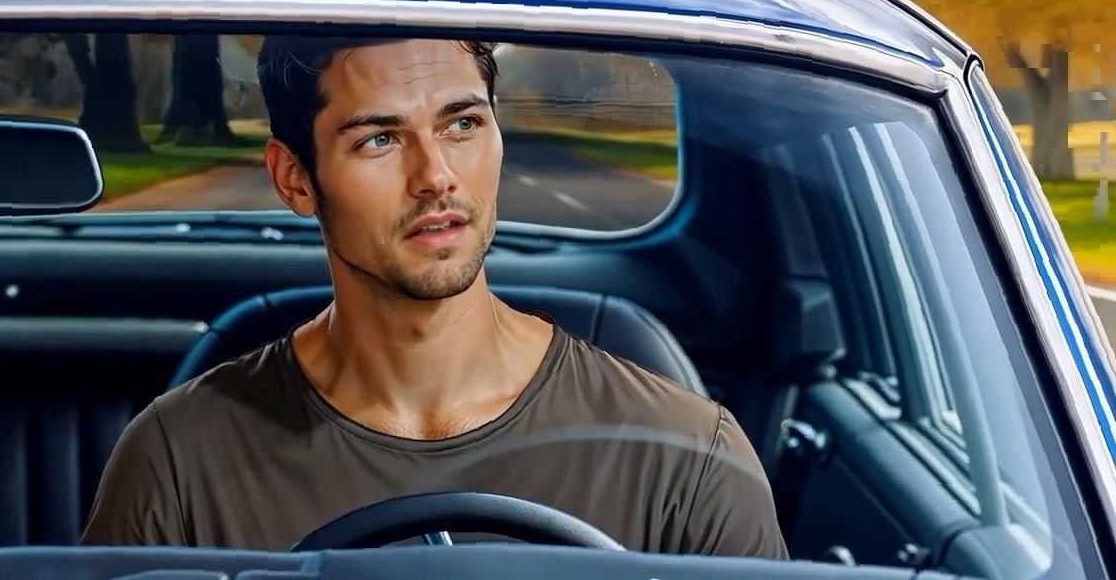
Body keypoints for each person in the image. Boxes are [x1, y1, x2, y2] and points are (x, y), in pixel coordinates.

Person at [80, 35, 787, 557]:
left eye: (462, 124)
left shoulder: (688, 456)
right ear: (295, 178)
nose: (436, 176)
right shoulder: (177, 460)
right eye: (380, 139)